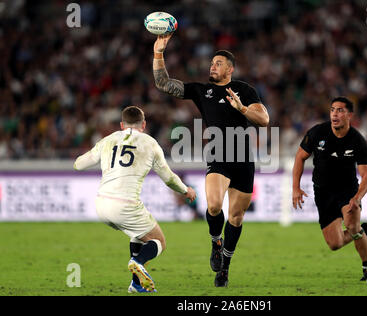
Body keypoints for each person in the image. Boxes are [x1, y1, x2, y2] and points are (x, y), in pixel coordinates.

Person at [152, 34, 269, 287]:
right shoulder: (201, 90)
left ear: (230, 69)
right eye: (212, 63)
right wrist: (158, 52)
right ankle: (216, 241)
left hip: (243, 159)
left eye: (218, 63)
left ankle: (224, 267)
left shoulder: (244, 90)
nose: (212, 66)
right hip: (218, 155)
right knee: (214, 206)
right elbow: (163, 83)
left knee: (236, 217)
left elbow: (264, 120)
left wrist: (243, 109)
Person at [74, 105, 196, 293]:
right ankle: (137, 261)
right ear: (144, 124)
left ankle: (136, 284)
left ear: (122, 125)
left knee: (137, 234)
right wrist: (185, 190)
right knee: (159, 242)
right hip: (125, 206)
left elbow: (79, 164)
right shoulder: (150, 143)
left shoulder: (108, 140)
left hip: (101, 204)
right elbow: (169, 178)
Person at [292, 97, 367, 281]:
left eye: (340, 110)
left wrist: (358, 197)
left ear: (349, 115)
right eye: (332, 110)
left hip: (348, 192)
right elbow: (299, 157)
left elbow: (366, 175)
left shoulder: (357, 140)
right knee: (335, 244)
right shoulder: (317, 133)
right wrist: (295, 188)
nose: (335, 114)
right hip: (323, 192)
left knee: (353, 226)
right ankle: (364, 232)